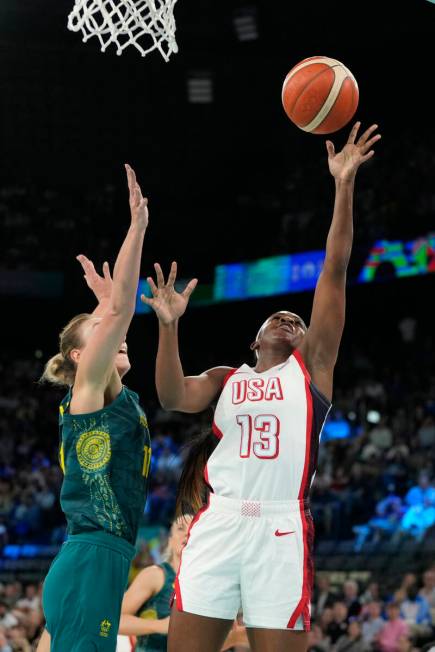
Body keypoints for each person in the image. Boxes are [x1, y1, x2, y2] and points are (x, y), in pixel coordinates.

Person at [142, 121, 381, 652]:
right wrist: (167, 326)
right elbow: (171, 397)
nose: (288, 319)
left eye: (295, 319)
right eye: (276, 315)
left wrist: (343, 185)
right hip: (220, 520)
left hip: (280, 529)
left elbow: (335, 271)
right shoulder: (228, 379)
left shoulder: (311, 371)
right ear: (253, 342)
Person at [37, 165, 151, 652]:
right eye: (104, 336)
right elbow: (125, 307)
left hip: (101, 555)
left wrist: (104, 307)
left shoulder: (118, 398)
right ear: (83, 357)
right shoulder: (88, 390)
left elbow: (119, 312)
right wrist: (137, 227)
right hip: (91, 555)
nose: (118, 337)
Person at [119, 514, 248, 651]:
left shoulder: (215, 588)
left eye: (194, 529)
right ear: (170, 540)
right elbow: (116, 620)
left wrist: (235, 638)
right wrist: (160, 625)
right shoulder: (156, 575)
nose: (187, 533)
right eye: (180, 528)